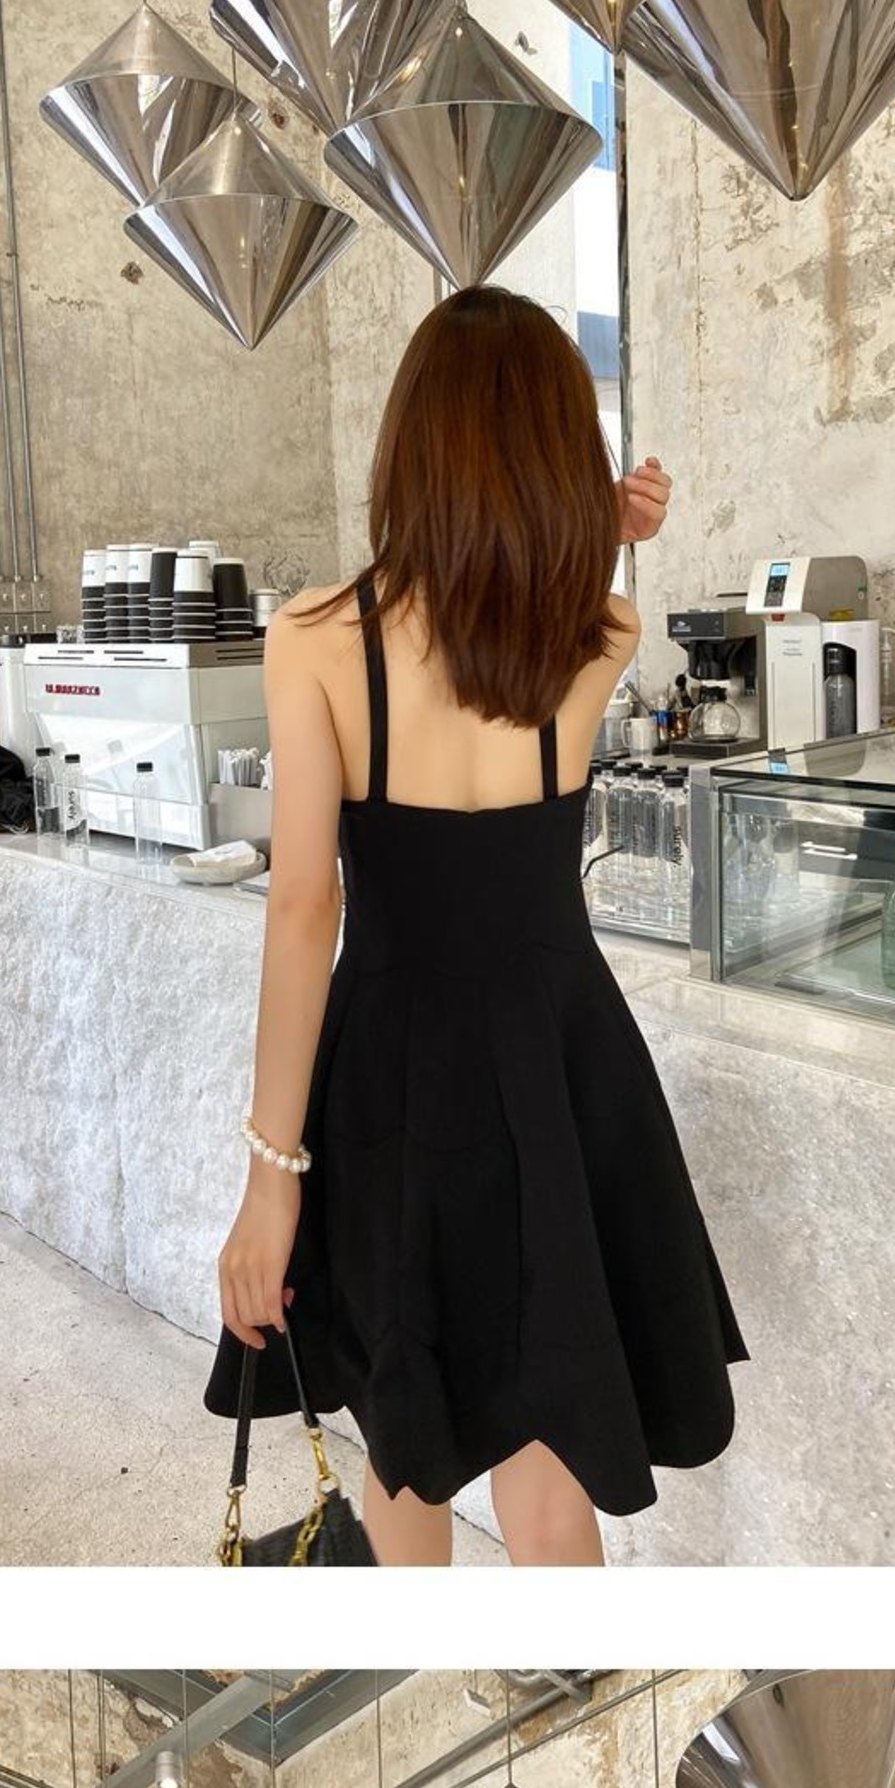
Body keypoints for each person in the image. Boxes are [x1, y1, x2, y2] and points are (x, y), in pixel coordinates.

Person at [212, 286, 744, 1567]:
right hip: (556, 1063)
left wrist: (269, 1179)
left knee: (405, 1435)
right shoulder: (598, 635)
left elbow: (303, 907)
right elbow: (533, 585)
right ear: (562, 460)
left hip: (392, 1077)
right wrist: (593, 526)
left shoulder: (313, 639)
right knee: (549, 1452)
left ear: (407, 448)